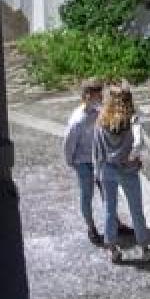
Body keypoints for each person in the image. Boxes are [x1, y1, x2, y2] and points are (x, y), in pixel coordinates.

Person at [93, 86, 150, 264]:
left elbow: (97, 151)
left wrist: (97, 172)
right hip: (128, 171)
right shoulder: (132, 120)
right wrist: (132, 160)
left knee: (109, 210)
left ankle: (112, 249)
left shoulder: (101, 121)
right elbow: (138, 143)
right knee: (136, 210)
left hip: (107, 169)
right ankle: (144, 248)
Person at [62, 78, 104, 245]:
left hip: (98, 159)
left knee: (107, 192)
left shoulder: (98, 111)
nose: (100, 98)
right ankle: (91, 227)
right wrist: (71, 161)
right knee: (87, 196)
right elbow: (68, 144)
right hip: (84, 162)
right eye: (97, 95)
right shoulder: (77, 120)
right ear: (87, 96)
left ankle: (114, 222)